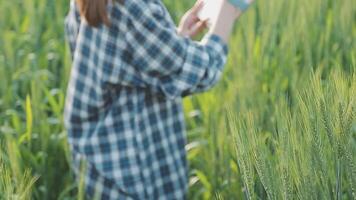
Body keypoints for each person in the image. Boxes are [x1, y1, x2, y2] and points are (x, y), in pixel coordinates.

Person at [64, 0, 242, 199]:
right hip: (134, 177)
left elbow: (120, 57)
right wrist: (228, 9)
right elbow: (204, 71)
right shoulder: (133, 8)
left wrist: (174, 39)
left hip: (100, 166)